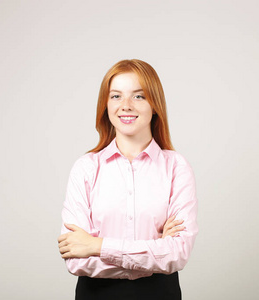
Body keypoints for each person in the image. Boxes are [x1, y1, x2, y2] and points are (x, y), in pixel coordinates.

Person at [57, 59, 198, 300]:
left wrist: (96, 246)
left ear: (155, 105)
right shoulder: (86, 168)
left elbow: (177, 254)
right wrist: (154, 252)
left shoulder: (176, 167)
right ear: (105, 105)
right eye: (116, 96)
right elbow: (76, 260)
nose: (126, 106)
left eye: (139, 96)